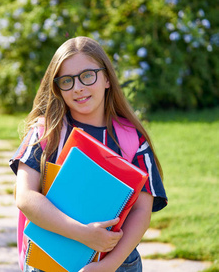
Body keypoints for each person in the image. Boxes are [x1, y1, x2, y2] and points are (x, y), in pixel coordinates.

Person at [9, 36, 167, 272]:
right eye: (67, 81)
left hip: (118, 263)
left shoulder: (132, 140)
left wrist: (108, 265)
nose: (78, 87)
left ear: (106, 78)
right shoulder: (45, 134)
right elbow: (25, 197)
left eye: (87, 75)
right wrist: (83, 234)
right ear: (57, 88)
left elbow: (142, 211)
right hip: (50, 261)